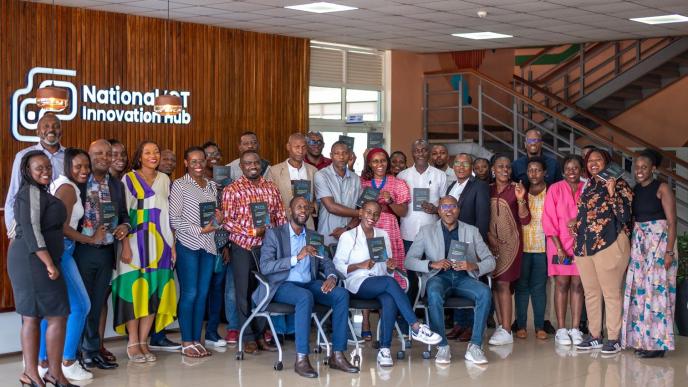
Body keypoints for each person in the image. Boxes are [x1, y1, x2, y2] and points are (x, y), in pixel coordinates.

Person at [258, 196, 359, 378]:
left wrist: (331, 277)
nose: (303, 210)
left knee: (341, 294)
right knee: (304, 297)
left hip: (309, 283)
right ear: (290, 211)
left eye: (306, 207)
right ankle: (302, 359)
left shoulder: (314, 237)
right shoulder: (275, 234)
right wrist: (296, 258)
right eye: (298, 207)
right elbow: (265, 266)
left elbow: (327, 263)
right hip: (283, 284)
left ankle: (337, 354)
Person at [333, 200, 442, 368]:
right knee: (389, 284)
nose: (372, 217)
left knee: (389, 299)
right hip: (357, 283)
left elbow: (386, 267)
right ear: (361, 213)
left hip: (380, 282)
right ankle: (415, 326)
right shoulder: (348, 237)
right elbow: (338, 265)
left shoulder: (382, 235)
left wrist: (390, 266)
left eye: (376, 214)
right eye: (368, 212)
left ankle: (384, 349)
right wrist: (359, 265)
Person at [38, 149, 103, 382]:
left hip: (57, 249)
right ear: (67, 166)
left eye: (87, 166)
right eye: (78, 166)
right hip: (62, 249)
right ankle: (67, 361)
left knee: (53, 309)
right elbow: (61, 226)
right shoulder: (68, 188)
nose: (84, 170)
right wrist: (91, 239)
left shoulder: (62, 184)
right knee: (81, 306)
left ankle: (43, 362)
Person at [405, 195, 495, 365]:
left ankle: (475, 346)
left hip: (464, 278)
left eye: (452, 206)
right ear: (439, 211)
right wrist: (432, 264)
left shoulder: (472, 231)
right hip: (438, 277)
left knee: (484, 291)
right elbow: (409, 261)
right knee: (433, 293)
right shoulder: (426, 231)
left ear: (458, 209)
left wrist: (473, 266)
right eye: (444, 207)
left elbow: (491, 261)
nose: (449, 210)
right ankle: (442, 345)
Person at [8, 151, 72, 387]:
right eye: (39, 168)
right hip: (32, 260)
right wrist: (49, 263)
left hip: (39, 258)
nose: (45, 171)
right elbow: (32, 230)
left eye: (48, 166)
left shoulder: (40, 192)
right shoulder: (30, 192)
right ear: (27, 171)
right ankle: (33, 374)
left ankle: (51, 375)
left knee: (47, 315)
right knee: (45, 315)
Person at [113, 141, 177, 363]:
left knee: (153, 292)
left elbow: (168, 215)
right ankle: (132, 342)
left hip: (161, 244)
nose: (153, 156)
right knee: (134, 292)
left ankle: (144, 342)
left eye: (156, 152)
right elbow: (123, 215)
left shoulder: (165, 179)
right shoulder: (128, 179)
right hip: (135, 242)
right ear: (139, 157)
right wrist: (125, 246)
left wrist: (173, 246)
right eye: (148, 152)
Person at [222, 150, 286, 354]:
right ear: (241, 166)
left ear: (261, 165)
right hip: (243, 247)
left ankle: (260, 335)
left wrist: (281, 241)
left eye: (256, 163)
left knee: (264, 292)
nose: (253, 166)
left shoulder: (271, 188)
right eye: (248, 163)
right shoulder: (232, 189)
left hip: (267, 248)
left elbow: (280, 216)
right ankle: (247, 336)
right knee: (243, 293)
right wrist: (251, 231)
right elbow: (227, 221)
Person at [74, 139, 130, 370]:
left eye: (108, 153)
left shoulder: (117, 185)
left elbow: (125, 216)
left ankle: (92, 351)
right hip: (81, 251)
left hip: (106, 252)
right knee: (81, 306)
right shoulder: (77, 182)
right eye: (98, 153)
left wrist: (125, 227)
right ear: (89, 154)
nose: (104, 157)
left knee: (97, 305)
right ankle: (73, 355)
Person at [574, 148, 633, 354]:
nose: (593, 163)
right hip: (585, 246)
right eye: (590, 160)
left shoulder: (620, 184)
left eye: (598, 159)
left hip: (609, 242)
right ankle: (595, 336)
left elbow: (625, 216)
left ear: (607, 162)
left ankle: (614, 338)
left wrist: (612, 192)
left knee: (611, 292)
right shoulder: (588, 185)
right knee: (591, 292)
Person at [622, 149, 677, 358]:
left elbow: (672, 222)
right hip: (640, 244)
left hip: (660, 243)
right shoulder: (635, 190)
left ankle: (658, 344)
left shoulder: (662, 188)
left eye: (644, 167)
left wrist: (669, 252)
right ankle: (644, 340)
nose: (639, 171)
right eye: (637, 167)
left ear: (653, 168)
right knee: (641, 293)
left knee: (658, 294)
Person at [170, 146, 223, 358]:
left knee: (202, 295)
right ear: (185, 163)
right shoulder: (179, 185)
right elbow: (175, 219)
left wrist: (219, 219)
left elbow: (214, 218)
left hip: (209, 246)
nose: (199, 165)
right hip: (188, 245)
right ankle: (186, 341)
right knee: (190, 293)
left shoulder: (211, 186)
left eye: (202, 160)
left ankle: (197, 340)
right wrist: (200, 229)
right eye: (193, 161)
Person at [360, 148, 411, 338]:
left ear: (387, 163)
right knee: (367, 270)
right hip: (367, 229)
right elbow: (358, 209)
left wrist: (390, 201)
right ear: (369, 164)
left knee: (387, 272)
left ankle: (384, 324)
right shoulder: (362, 182)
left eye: (382, 161)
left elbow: (403, 212)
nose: (379, 165)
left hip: (389, 229)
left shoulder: (398, 183)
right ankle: (365, 321)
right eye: (375, 161)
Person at [445, 153, 490, 341]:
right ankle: (459, 324)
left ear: (471, 167)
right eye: (457, 163)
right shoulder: (451, 186)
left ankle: (471, 326)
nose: (461, 167)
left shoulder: (478, 186)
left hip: (470, 241)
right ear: (453, 166)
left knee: (470, 281)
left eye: (465, 164)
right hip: (452, 241)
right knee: (456, 278)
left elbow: (482, 216)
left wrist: (479, 245)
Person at [542, 155, 586, 346]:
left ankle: (575, 328)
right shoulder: (555, 189)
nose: (571, 171)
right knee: (561, 284)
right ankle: (561, 328)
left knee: (578, 285)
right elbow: (548, 220)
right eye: (568, 168)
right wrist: (559, 248)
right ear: (563, 171)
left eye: (575, 168)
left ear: (581, 170)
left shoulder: (587, 189)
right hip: (559, 246)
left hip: (582, 246)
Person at [487, 155, 530, 346]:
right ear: (493, 170)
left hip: (511, 244)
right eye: (500, 166)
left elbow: (525, 219)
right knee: (495, 284)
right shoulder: (486, 189)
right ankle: (500, 325)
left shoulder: (517, 189)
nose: (505, 170)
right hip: (489, 244)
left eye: (508, 167)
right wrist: (489, 237)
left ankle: (506, 328)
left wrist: (521, 200)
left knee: (504, 284)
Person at [202, 141, 239, 347]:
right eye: (208, 154)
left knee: (217, 290)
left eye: (216, 153)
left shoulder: (229, 184)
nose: (212, 157)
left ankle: (212, 332)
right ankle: (193, 335)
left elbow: (231, 215)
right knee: (199, 291)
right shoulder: (195, 182)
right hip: (199, 243)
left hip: (221, 244)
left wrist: (226, 245)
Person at [147, 148, 182, 352]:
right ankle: (145, 335)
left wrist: (173, 242)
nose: (168, 162)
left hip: (168, 243)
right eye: (165, 158)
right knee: (148, 290)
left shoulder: (171, 183)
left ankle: (158, 334)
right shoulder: (149, 182)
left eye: (172, 159)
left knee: (163, 290)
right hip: (147, 242)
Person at [6, 113, 66, 231]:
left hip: (61, 226)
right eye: (46, 126)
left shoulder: (69, 157)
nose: (51, 130)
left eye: (56, 126)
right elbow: (13, 194)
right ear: (37, 132)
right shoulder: (23, 156)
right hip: (30, 224)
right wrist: (13, 230)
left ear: (61, 132)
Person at [515, 157, 549, 340]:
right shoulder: (522, 191)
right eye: (530, 170)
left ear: (545, 172)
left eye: (537, 170)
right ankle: (521, 325)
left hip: (543, 248)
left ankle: (539, 326)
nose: (533, 173)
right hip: (522, 247)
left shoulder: (551, 191)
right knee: (521, 288)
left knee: (539, 288)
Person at [266, 133, 318, 229]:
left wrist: (313, 207)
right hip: (283, 223)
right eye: (297, 147)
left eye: (303, 147)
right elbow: (269, 200)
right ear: (288, 147)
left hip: (307, 224)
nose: (300, 151)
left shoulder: (313, 171)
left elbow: (318, 198)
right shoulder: (274, 171)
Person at [314, 141, 362, 246]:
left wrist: (347, 229)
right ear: (331, 156)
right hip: (327, 236)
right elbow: (331, 207)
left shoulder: (356, 179)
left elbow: (359, 207)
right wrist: (361, 213)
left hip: (350, 236)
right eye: (337, 153)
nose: (341, 156)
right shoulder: (321, 175)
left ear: (349, 155)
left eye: (344, 153)